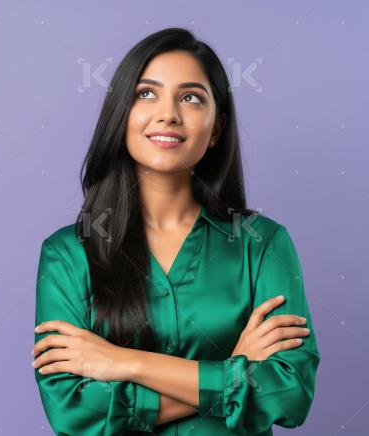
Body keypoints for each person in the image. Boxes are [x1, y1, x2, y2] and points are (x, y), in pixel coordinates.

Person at [31, 27, 319, 435]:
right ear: (121, 113)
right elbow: (73, 414)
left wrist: (124, 362)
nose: (168, 113)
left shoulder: (263, 243)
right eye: (146, 93)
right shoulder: (68, 254)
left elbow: (290, 394)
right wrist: (230, 376)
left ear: (216, 127)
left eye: (190, 97)